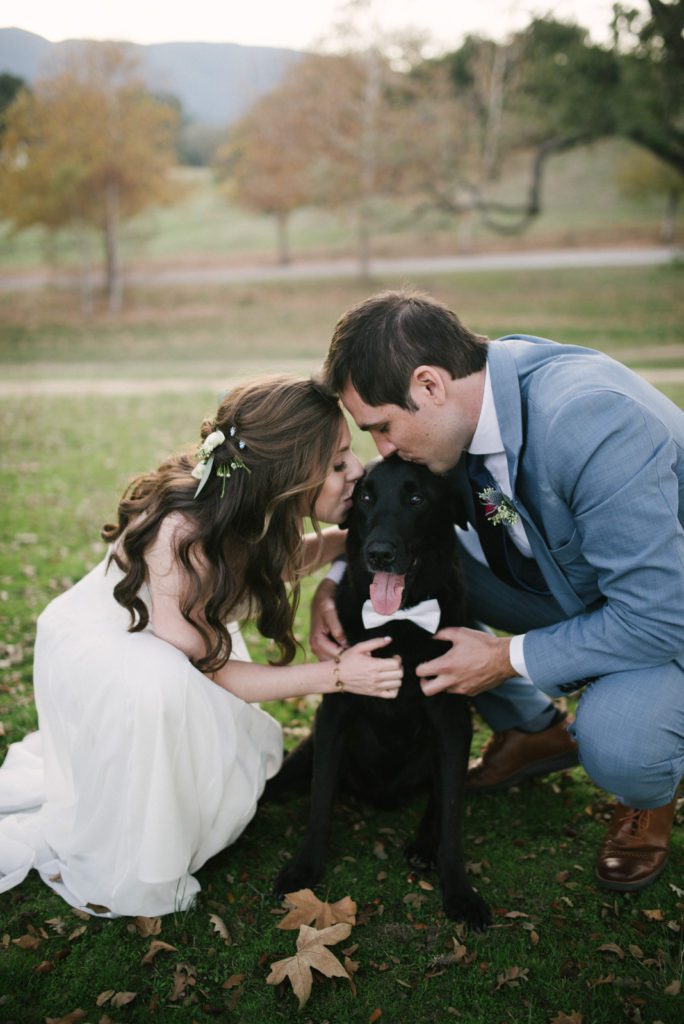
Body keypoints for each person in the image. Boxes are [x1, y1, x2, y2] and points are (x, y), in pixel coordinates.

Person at [312, 289, 683, 892]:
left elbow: (661, 614)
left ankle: (649, 791)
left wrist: (505, 659)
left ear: (429, 385)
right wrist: (337, 586)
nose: (381, 451)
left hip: (669, 615)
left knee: (618, 741)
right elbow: (405, 526)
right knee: (433, 571)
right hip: (574, 581)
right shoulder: (474, 395)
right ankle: (536, 730)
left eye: (381, 427)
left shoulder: (589, 418)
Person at [0, 375, 402, 917]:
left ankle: (181, 809)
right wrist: (336, 675)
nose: (355, 470)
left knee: (181, 696)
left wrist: (346, 543)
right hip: (107, 649)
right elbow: (214, 670)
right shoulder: (179, 534)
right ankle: (145, 851)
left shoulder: (249, 511)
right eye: (336, 463)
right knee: (164, 685)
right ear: (285, 476)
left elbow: (277, 563)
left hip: (177, 647)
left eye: (349, 452)